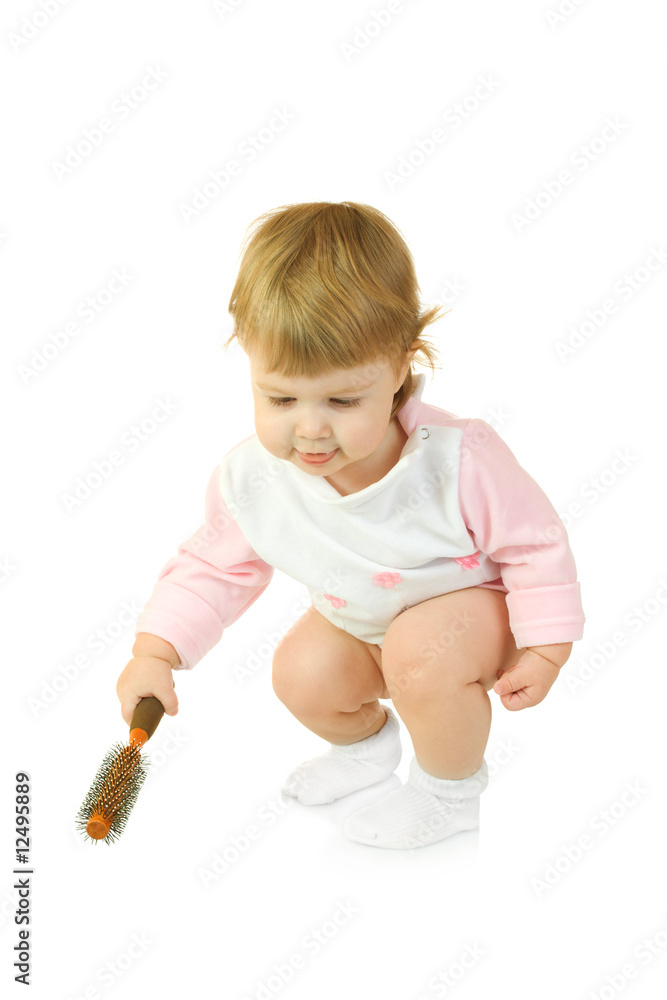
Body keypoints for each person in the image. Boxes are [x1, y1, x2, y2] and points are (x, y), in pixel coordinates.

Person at [116, 201, 585, 851]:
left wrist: (545, 646)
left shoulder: (454, 460)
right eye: (280, 398)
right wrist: (154, 652)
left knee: (420, 651)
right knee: (301, 671)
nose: (309, 428)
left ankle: (447, 795)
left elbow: (534, 545)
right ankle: (366, 750)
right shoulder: (252, 479)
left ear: (399, 368)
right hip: (364, 622)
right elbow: (211, 567)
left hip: (471, 621)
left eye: (341, 400)